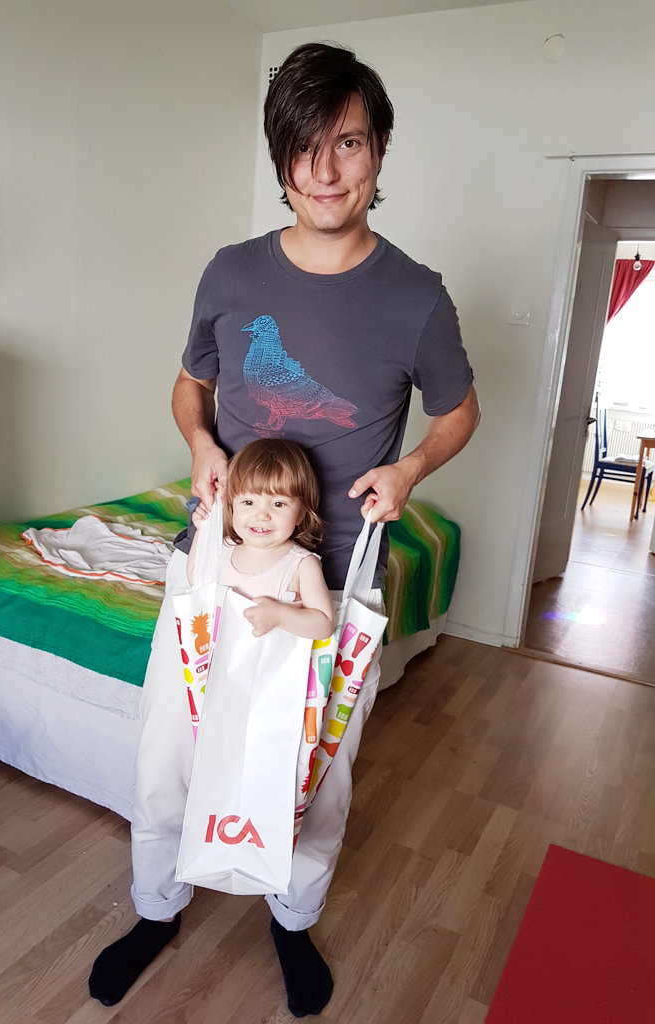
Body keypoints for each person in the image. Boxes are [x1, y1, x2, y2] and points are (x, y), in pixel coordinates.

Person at [89, 40, 480, 1018]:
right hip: (212, 568)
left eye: (348, 142)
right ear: (279, 160)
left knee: (315, 780)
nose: (325, 169)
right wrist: (197, 443)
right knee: (166, 756)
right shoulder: (229, 272)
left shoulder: (417, 295)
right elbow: (193, 384)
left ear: (379, 150)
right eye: (303, 147)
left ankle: (291, 922)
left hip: (334, 586)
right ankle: (155, 908)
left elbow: (460, 410)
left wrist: (410, 468)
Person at [187, 438, 334, 640]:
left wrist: (279, 616)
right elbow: (196, 577)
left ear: (301, 513)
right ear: (231, 505)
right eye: (248, 502)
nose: (262, 515)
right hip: (223, 663)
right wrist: (203, 531)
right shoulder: (225, 546)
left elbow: (324, 625)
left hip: (274, 666)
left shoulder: (301, 565)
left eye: (279, 504)